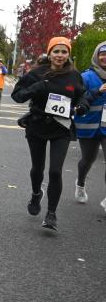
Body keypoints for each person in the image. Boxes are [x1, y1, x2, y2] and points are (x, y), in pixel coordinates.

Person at [12, 37, 89, 230]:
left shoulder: (74, 76)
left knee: (55, 171)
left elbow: (83, 97)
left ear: (68, 54)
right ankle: (37, 193)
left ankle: (51, 214)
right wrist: (35, 88)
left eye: (64, 52)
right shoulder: (37, 73)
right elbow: (17, 95)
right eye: (56, 51)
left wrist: (80, 107)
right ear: (50, 53)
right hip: (37, 125)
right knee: (37, 168)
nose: (60, 56)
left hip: (61, 128)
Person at [73, 42, 106, 211]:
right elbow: (78, 99)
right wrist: (98, 91)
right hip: (89, 125)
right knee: (88, 159)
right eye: (102, 54)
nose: (105, 57)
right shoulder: (86, 77)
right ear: (96, 56)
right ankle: (80, 183)